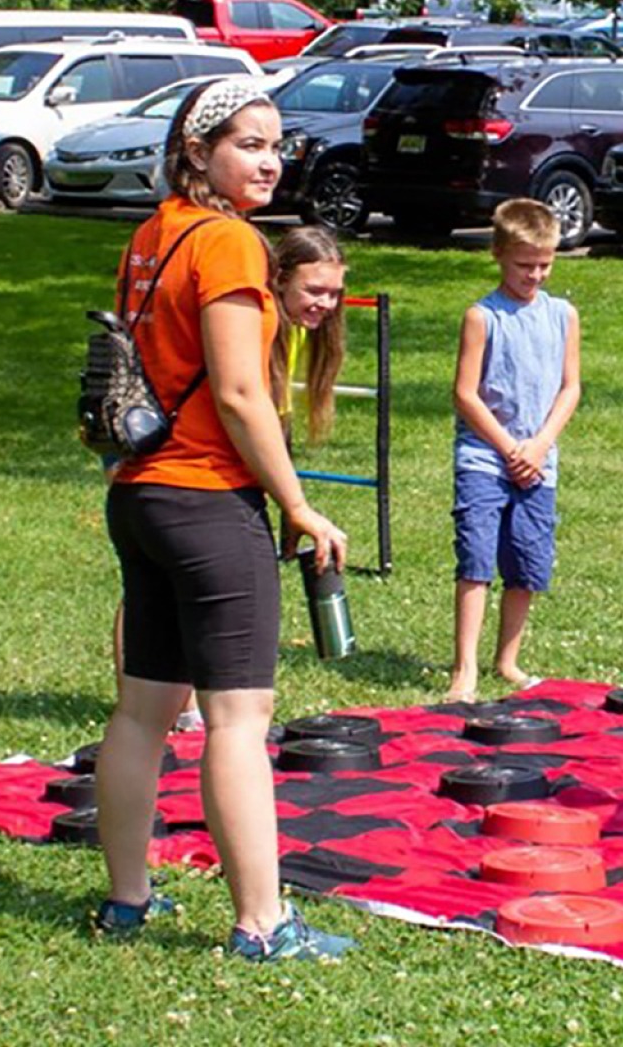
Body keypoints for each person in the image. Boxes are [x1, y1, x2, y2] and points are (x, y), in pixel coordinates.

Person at [93, 78, 356, 960]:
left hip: (139, 494)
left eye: (276, 143)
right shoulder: (232, 244)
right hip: (206, 500)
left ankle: (127, 901)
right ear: (197, 152)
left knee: (141, 713)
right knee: (238, 718)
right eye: (247, 142)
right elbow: (243, 394)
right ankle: (263, 923)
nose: (270, 158)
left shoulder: (151, 232)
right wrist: (297, 502)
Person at [156, 226, 353, 734]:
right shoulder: (254, 320)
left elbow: (273, 420)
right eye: (314, 290)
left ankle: (176, 705)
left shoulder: (293, 330)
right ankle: (176, 707)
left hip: (226, 467)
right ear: (279, 279)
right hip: (185, 466)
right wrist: (294, 503)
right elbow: (240, 404)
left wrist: (287, 498)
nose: (326, 303)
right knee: (171, 589)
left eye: (334, 293)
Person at [444, 198, 582, 703]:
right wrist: (508, 448)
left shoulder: (563, 315)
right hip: (484, 458)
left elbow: (571, 387)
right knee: (477, 558)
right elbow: (465, 393)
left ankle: (507, 660)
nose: (536, 275)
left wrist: (540, 445)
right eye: (525, 265)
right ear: (499, 255)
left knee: (527, 562)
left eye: (545, 264)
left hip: (539, 463)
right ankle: (465, 670)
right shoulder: (482, 317)